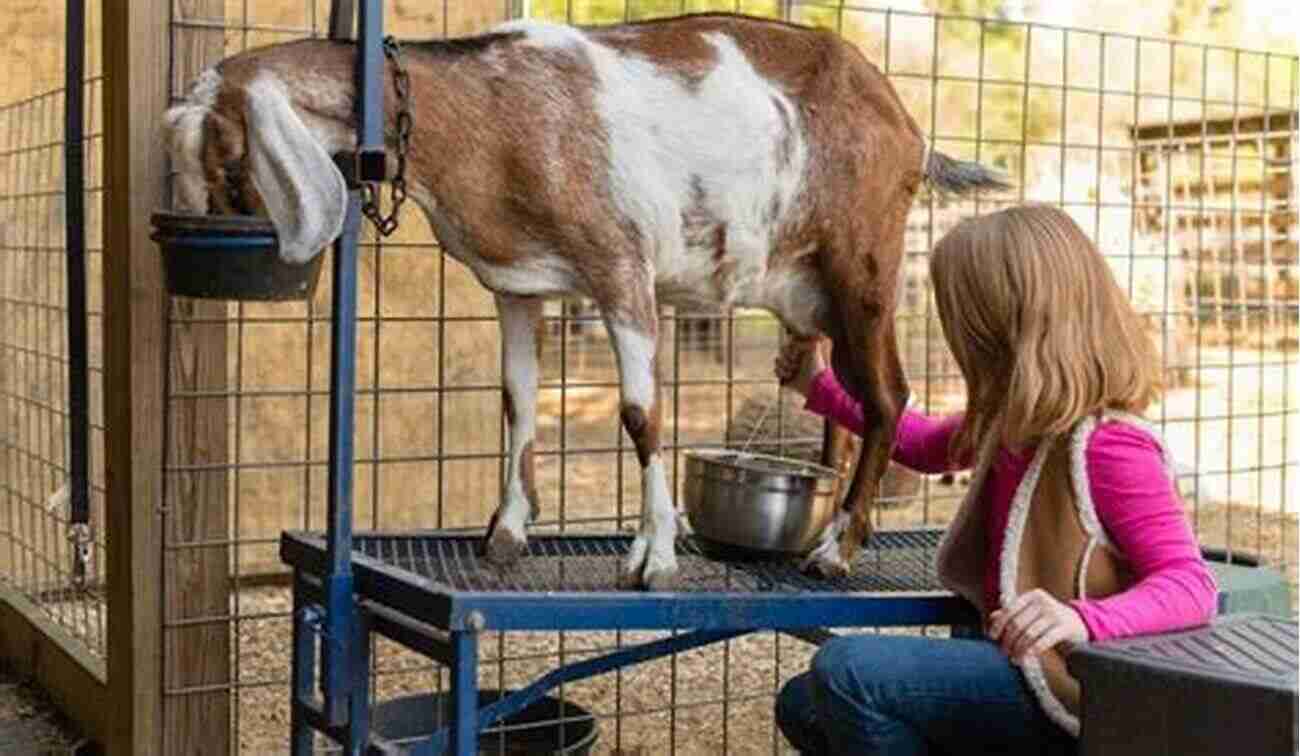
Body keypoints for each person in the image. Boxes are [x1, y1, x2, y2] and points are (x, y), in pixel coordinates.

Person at [772, 204, 1218, 755]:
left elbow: (1191, 585)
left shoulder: (1110, 447)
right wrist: (820, 388)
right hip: (1020, 670)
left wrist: (1079, 620)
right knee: (801, 702)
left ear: (1001, 328)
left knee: (849, 671)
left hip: (1069, 692)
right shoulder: (1016, 422)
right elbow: (926, 444)